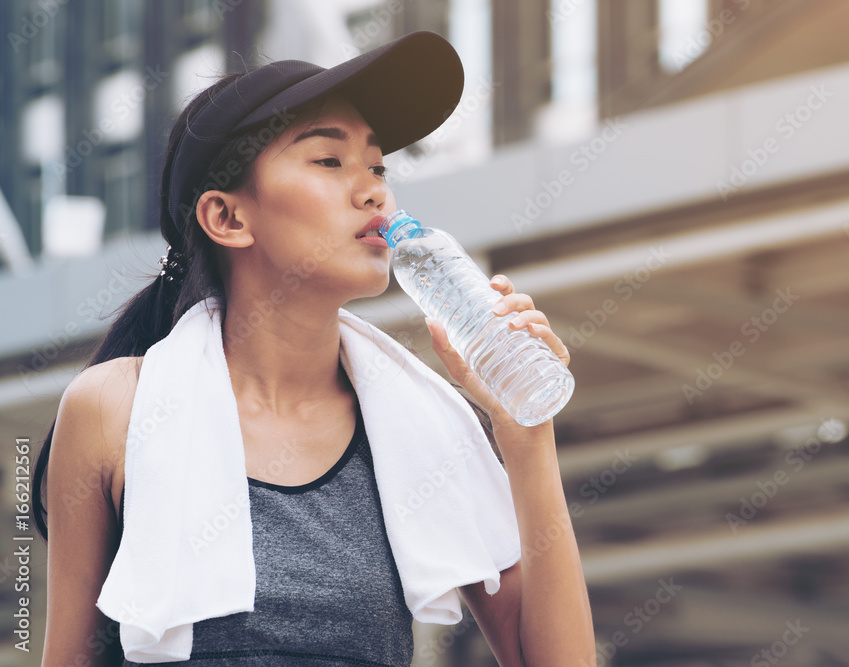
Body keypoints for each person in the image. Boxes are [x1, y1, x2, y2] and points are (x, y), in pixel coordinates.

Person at [33, 30, 596, 667]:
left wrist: (528, 435)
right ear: (228, 219)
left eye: (378, 166)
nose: (375, 191)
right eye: (330, 162)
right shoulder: (116, 410)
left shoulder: (423, 424)